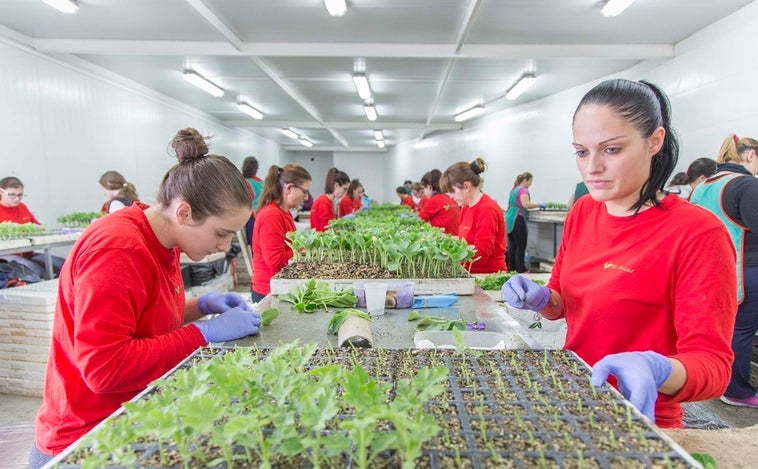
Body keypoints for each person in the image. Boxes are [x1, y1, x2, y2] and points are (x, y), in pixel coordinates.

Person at [501, 79, 737, 428]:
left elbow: (713, 366)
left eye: (611, 150)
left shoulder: (696, 233)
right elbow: (561, 304)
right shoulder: (583, 211)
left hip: (640, 419)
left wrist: (657, 369)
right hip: (572, 398)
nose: (592, 167)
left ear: (654, 141)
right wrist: (541, 300)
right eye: (582, 152)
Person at [29, 128, 262, 468]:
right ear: (184, 213)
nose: (225, 247)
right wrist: (204, 334)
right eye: (221, 233)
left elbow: (139, 321)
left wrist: (200, 307)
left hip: (127, 419)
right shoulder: (119, 249)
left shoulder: (161, 240)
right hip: (86, 441)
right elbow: (103, 368)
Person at [691, 135, 758, 408]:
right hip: (746, 270)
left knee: (726, 328)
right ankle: (738, 391)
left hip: (712, 271)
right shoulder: (746, 185)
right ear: (751, 155)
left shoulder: (703, 187)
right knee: (742, 330)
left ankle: (718, 379)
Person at [252, 164, 312, 301]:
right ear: (289, 188)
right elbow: (275, 260)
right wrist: (303, 251)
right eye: (304, 191)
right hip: (269, 291)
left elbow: (288, 247)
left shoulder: (284, 213)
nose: (306, 198)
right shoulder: (272, 215)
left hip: (281, 285)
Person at [440, 158, 506, 274]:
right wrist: (443, 241)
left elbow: (482, 251)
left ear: (466, 186)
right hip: (468, 271)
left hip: (485, 275)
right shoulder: (466, 207)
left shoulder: (487, 209)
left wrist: (449, 252)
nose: (450, 196)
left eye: (452, 191)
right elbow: (464, 240)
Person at [0, 176, 65, 278]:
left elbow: (38, 227)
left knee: (64, 265)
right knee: (36, 271)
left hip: (28, 253)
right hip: (6, 255)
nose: (17, 199)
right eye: (12, 195)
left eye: (20, 195)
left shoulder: (22, 207)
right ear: (1, 192)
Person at [505, 172, 546, 273]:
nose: (531, 184)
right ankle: (521, 268)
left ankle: (512, 268)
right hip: (518, 219)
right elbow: (526, 204)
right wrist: (539, 204)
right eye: (530, 181)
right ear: (525, 180)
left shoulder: (514, 189)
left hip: (509, 218)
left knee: (512, 245)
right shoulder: (523, 190)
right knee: (521, 245)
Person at [417, 169, 459, 235]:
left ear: (429, 187)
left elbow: (419, 220)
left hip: (445, 238)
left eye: (423, 189)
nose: (423, 192)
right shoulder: (450, 199)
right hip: (456, 237)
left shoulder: (433, 200)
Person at [310, 168, 349, 232]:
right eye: (344, 189)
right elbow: (325, 230)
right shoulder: (323, 202)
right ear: (336, 185)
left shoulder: (329, 201)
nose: (345, 193)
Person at [241, 156, 264, 248]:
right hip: (262, 215)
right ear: (256, 169)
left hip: (251, 217)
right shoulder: (262, 182)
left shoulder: (244, 182)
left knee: (253, 245)